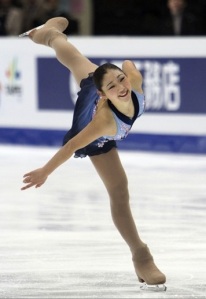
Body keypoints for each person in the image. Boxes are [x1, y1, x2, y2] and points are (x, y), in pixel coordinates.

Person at [20, 17, 166, 289]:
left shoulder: (132, 82)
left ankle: (46, 34)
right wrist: (45, 171)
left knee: (75, 58)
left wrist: (121, 72)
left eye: (121, 80)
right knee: (119, 190)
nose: (121, 88)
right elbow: (72, 145)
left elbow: (127, 68)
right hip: (93, 128)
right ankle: (141, 255)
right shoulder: (102, 123)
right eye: (112, 87)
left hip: (99, 88)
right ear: (102, 95)